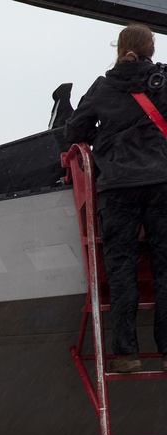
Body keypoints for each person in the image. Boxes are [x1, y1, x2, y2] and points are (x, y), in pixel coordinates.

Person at [65, 23, 167, 373]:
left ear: (118, 48)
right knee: (165, 268)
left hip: (119, 187)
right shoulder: (163, 83)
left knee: (121, 269)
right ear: (151, 49)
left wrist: (107, 138)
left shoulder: (102, 88)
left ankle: (127, 353)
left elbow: (74, 131)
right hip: (162, 182)